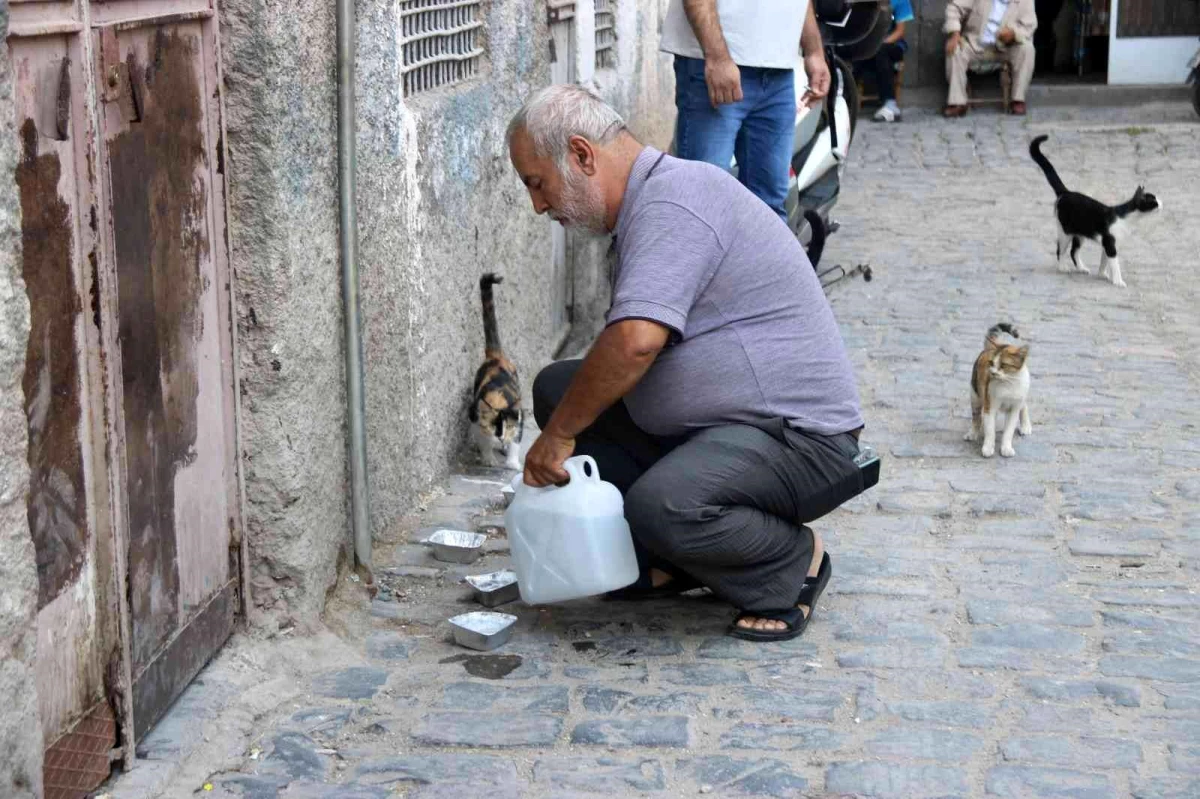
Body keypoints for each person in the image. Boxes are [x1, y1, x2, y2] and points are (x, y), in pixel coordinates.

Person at [505, 84, 866, 642]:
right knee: (562, 387)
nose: (539, 205)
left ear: (581, 155)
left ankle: (791, 563)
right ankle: (672, 561)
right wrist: (566, 420)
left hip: (800, 440)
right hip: (726, 426)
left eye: (537, 183)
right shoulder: (651, 202)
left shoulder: (675, 201)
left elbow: (634, 343)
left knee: (665, 503)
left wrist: (558, 437)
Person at [659, 0, 831, 222]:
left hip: (778, 72)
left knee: (769, 207)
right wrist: (718, 58)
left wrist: (814, 51)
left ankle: (764, 258)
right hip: (717, 66)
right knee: (703, 207)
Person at [943, 0, 1038, 117]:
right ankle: (957, 102)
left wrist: (1014, 34)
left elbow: (1029, 26)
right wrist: (954, 33)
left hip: (1006, 47)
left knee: (1027, 49)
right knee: (955, 49)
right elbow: (954, 7)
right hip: (975, 44)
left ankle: (1018, 100)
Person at [856, 0, 915, 122]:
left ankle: (890, 105)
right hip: (866, 44)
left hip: (891, 45)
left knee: (881, 51)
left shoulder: (900, 1)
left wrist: (878, 43)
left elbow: (899, 31)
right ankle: (842, 98)